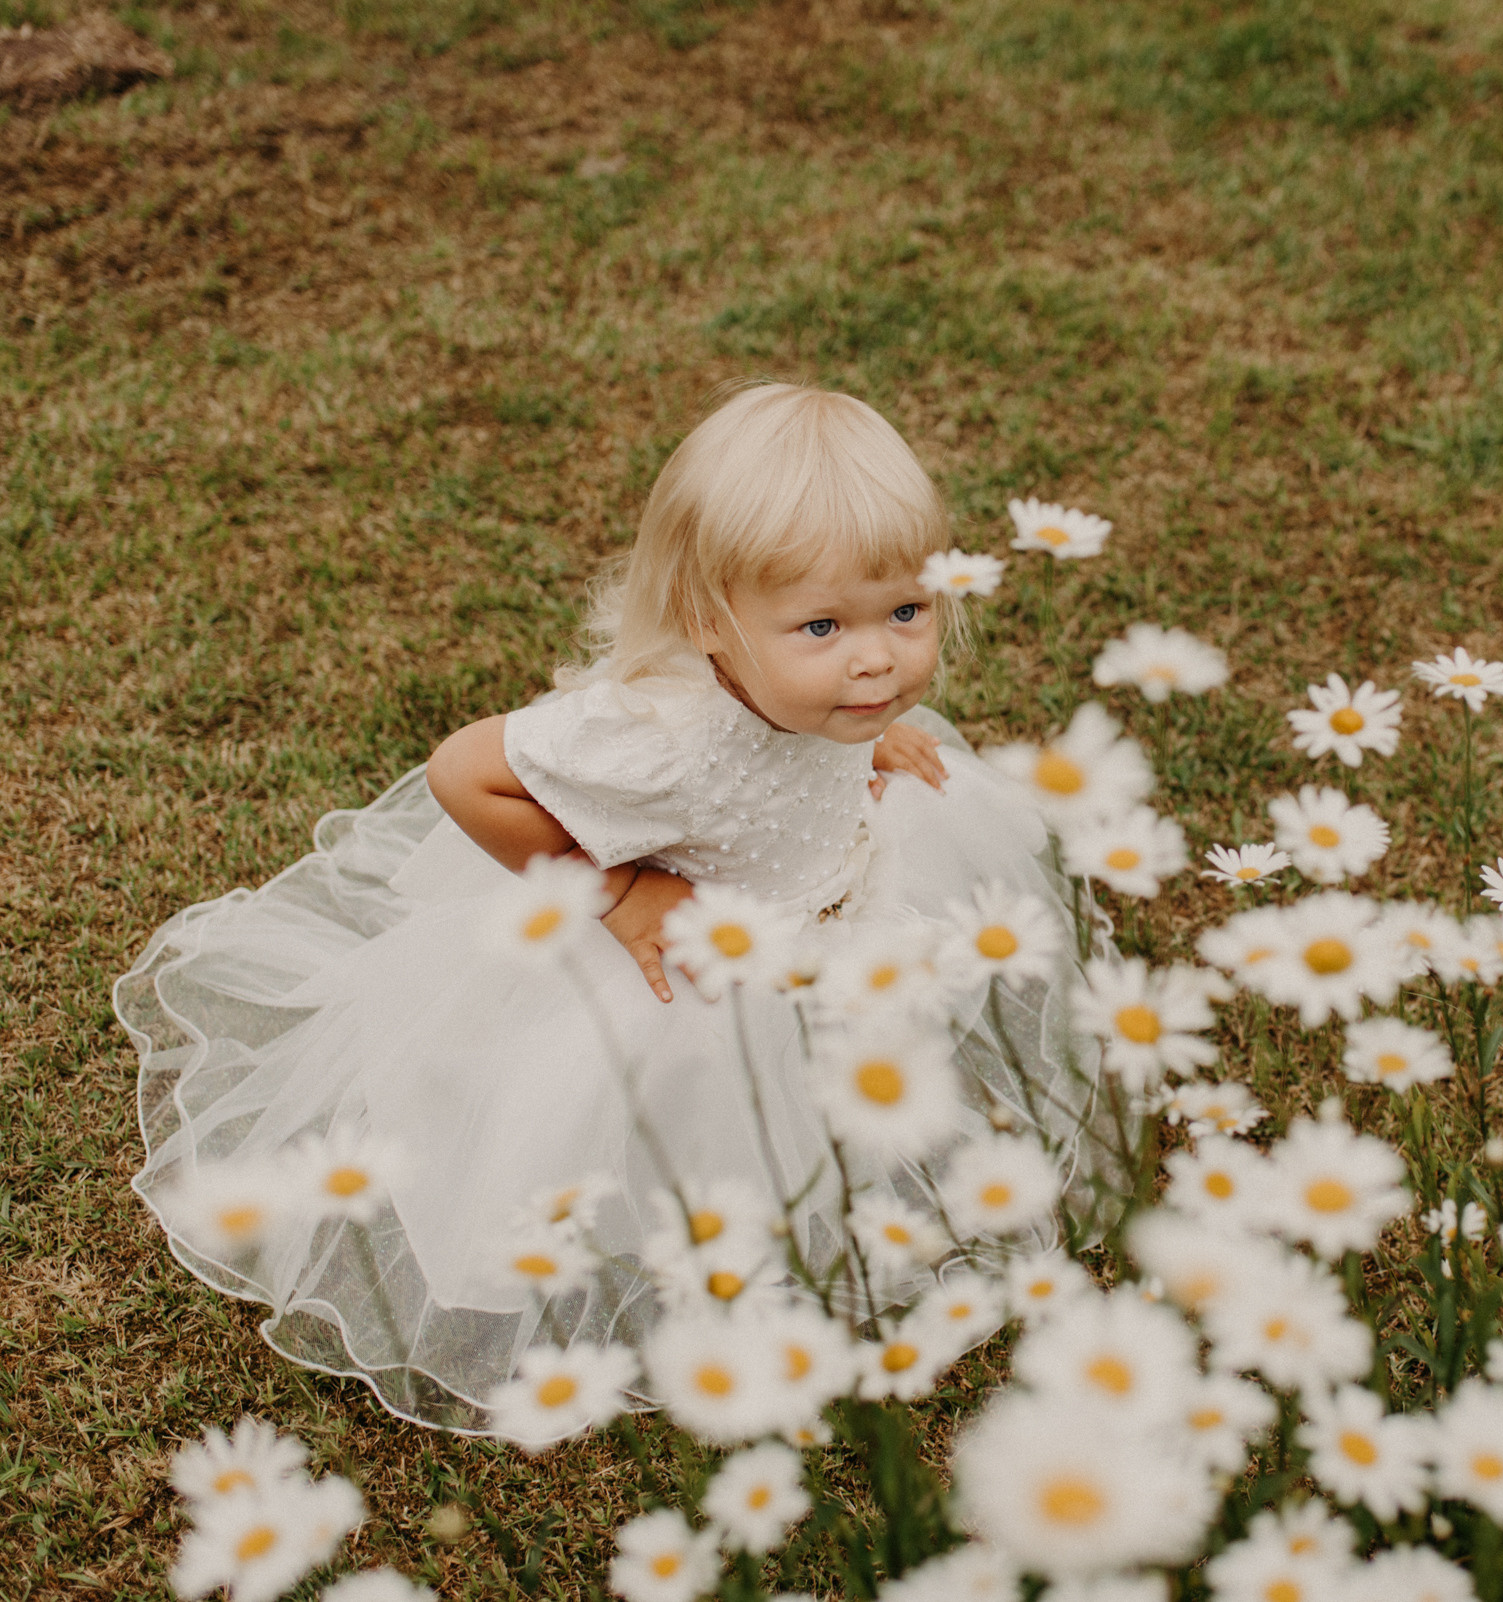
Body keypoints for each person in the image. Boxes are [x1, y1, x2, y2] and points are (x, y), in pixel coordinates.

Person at [114, 384, 1090, 1433]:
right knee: (700, 1120)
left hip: (826, 908)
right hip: (688, 970)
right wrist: (618, 885)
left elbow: (848, 699)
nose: (877, 658)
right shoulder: (662, 736)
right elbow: (463, 774)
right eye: (823, 625)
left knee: (832, 1081)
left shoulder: (834, 692)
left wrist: (864, 733)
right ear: (711, 623)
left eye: (906, 613)